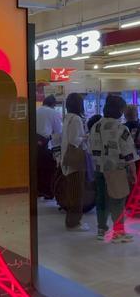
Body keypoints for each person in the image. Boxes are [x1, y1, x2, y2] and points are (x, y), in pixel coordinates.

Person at [90, 95, 138, 242]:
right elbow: (128, 152)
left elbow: (90, 147)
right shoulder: (120, 128)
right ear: (119, 110)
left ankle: (101, 229)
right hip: (116, 168)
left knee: (101, 198)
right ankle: (118, 232)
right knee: (118, 199)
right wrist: (133, 170)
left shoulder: (95, 126)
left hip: (99, 167)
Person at [61, 93, 89, 231]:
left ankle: (71, 220)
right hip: (75, 160)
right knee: (77, 192)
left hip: (67, 158)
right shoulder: (77, 119)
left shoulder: (67, 118)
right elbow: (75, 141)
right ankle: (74, 222)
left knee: (71, 192)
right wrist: (86, 136)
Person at [36, 95, 62, 198]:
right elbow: (58, 131)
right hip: (45, 143)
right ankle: (48, 192)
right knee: (49, 168)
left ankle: (38, 190)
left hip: (34, 142)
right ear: (53, 104)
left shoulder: (37, 111)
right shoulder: (54, 113)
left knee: (37, 168)